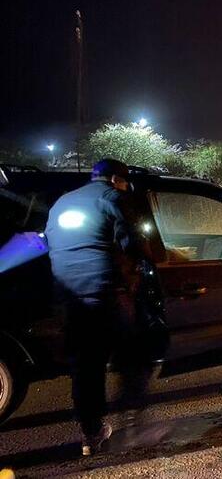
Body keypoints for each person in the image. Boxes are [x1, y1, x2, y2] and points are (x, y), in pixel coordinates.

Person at [45, 159, 151, 456]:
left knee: (86, 366)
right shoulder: (112, 199)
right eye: (125, 182)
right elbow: (131, 244)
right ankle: (134, 422)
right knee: (134, 354)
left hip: (69, 298)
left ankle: (92, 433)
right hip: (105, 294)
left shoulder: (61, 203)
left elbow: (54, 244)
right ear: (116, 179)